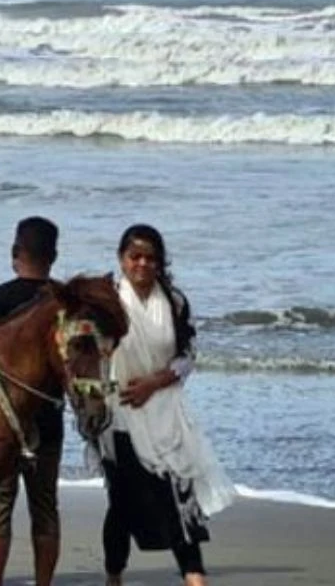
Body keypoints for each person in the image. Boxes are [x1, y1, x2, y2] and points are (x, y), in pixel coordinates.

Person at [97, 225, 235, 586]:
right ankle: (114, 576)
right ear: (122, 259)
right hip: (121, 415)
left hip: (167, 410)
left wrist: (153, 383)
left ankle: (194, 575)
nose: (142, 264)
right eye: (135, 257)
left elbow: (188, 356)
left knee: (180, 495)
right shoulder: (107, 299)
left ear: (160, 262)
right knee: (122, 504)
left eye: (150, 258)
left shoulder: (174, 301)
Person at [0, 216, 63, 586]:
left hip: (2, 424)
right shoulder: (61, 302)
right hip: (48, 418)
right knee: (44, 507)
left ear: (15, 253)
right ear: (53, 256)